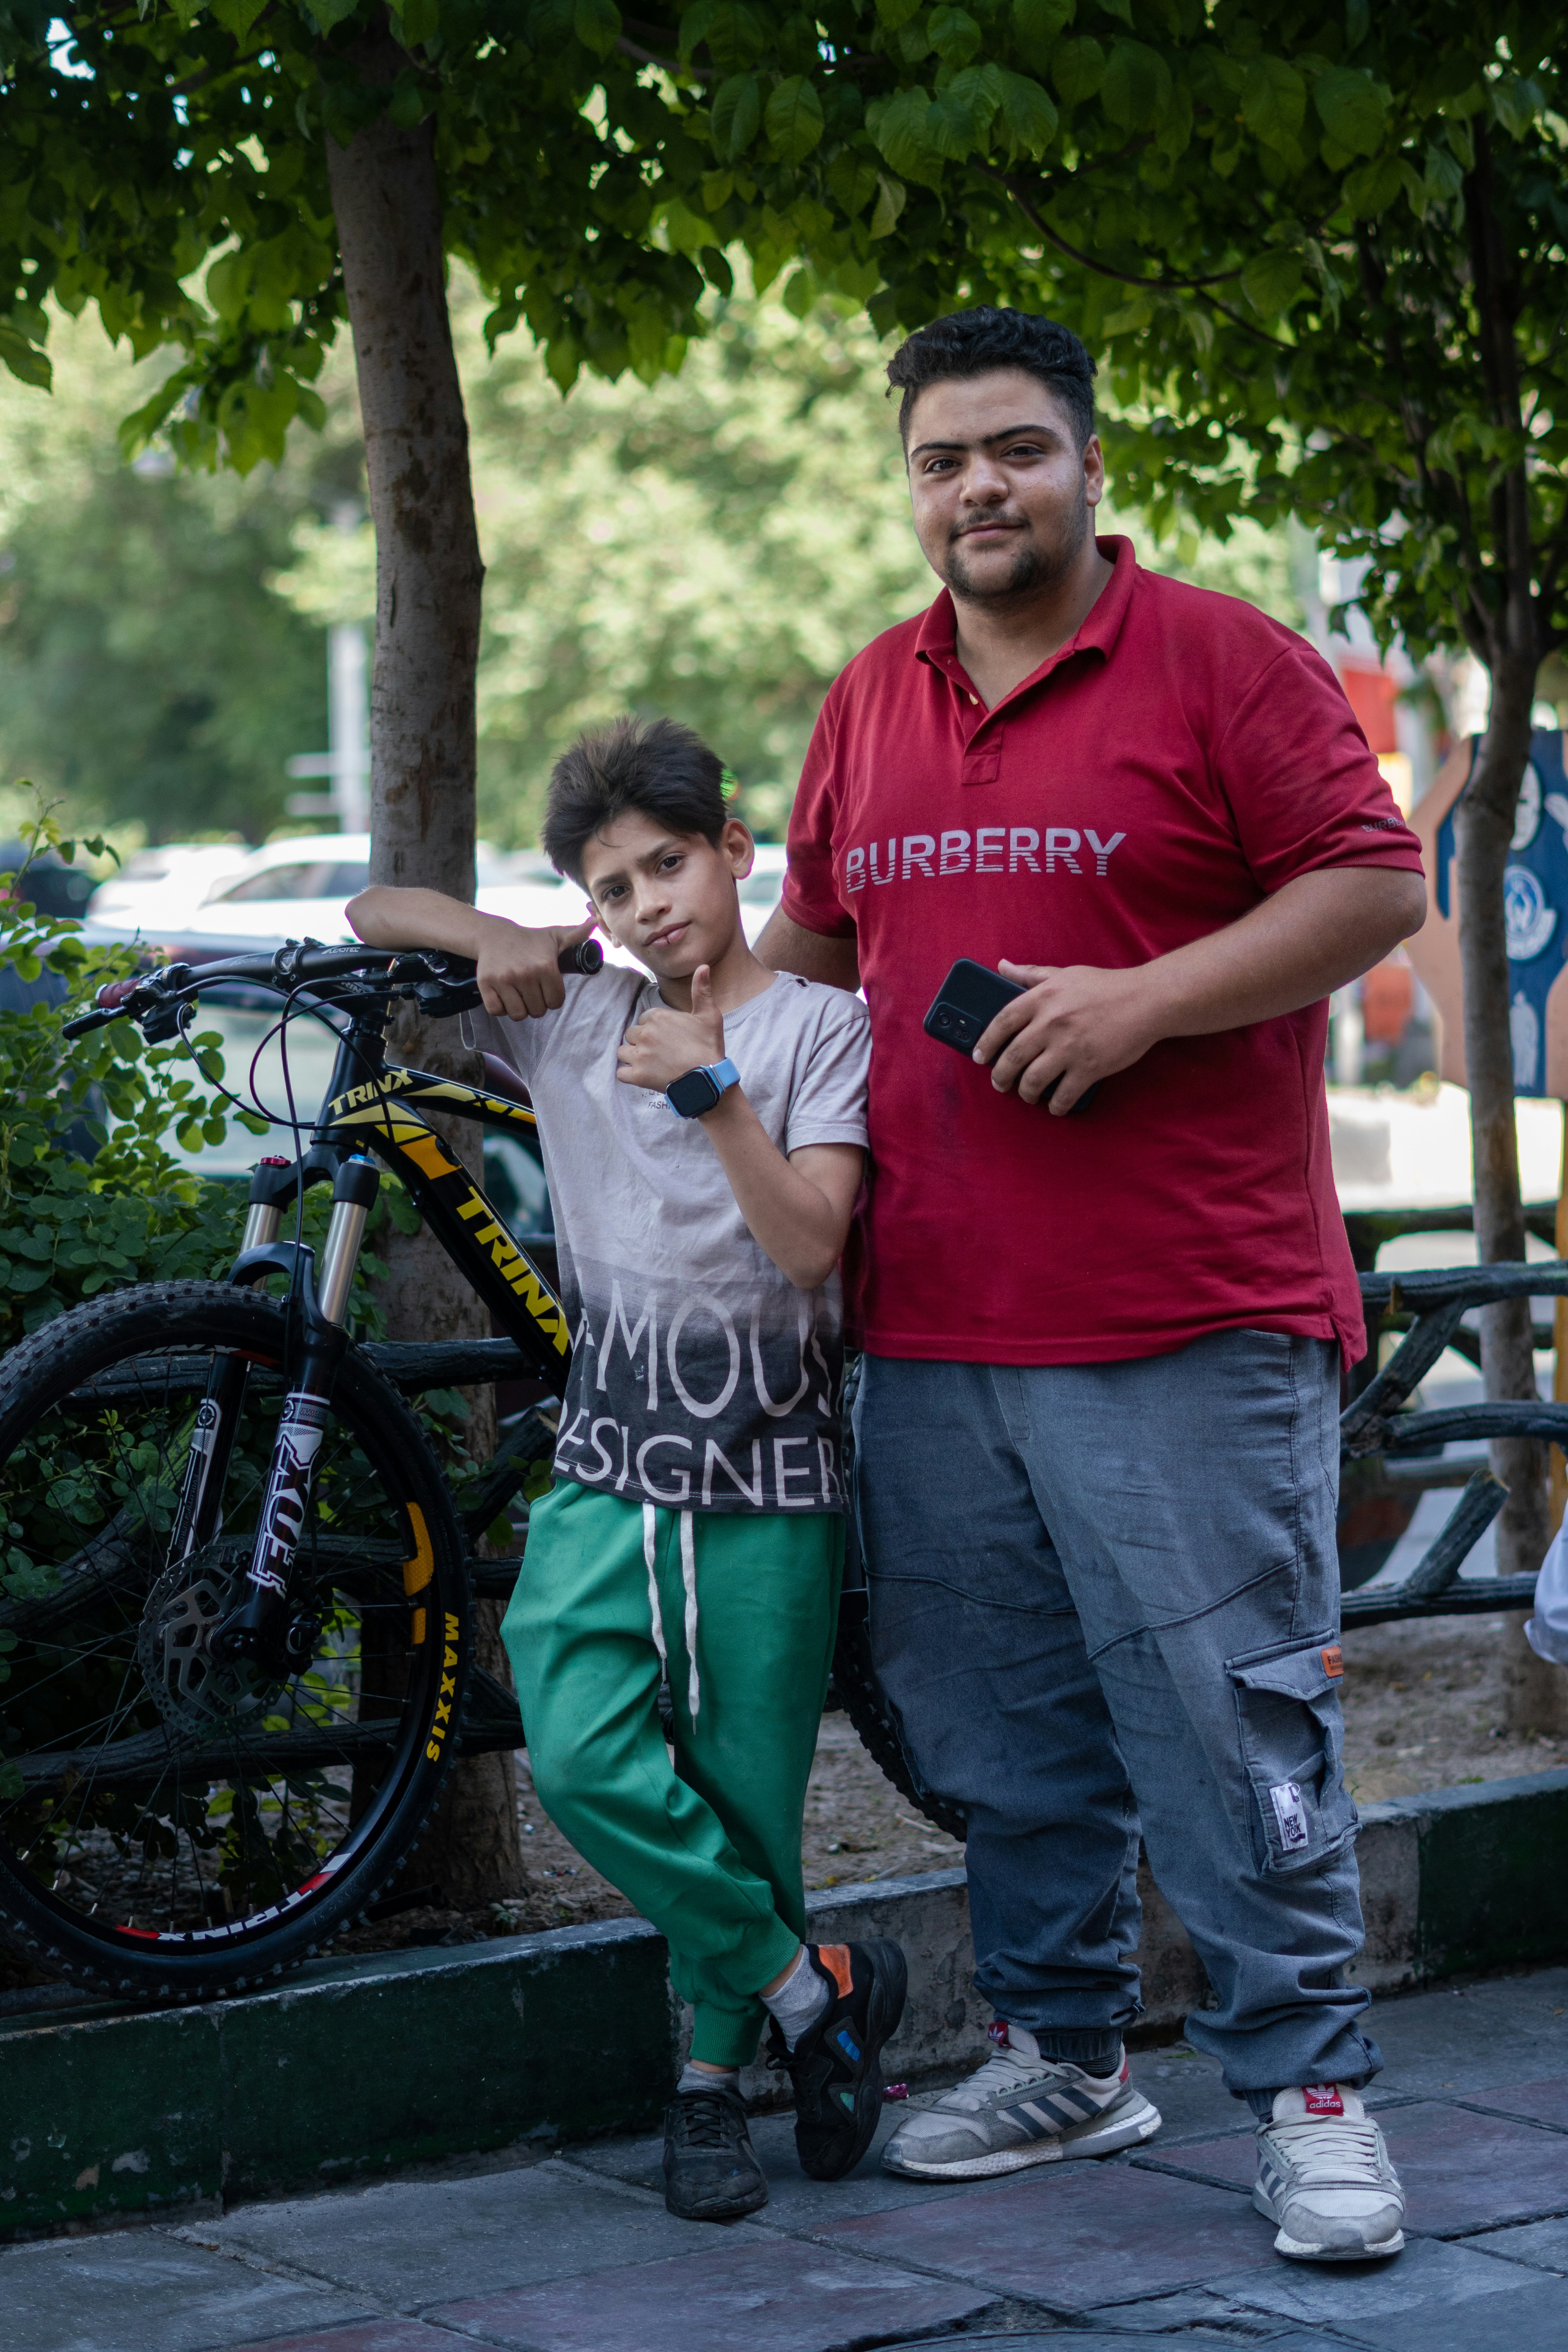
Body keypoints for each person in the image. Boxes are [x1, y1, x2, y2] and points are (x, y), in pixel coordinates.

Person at [755, 307, 1427, 2265]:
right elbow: (805, 955)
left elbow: (1374, 884)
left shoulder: (1221, 657)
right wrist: (596, 977)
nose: (979, 487)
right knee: (999, 1730)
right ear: (911, 485)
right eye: (943, 458)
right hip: (937, 1323)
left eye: (1016, 451)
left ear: (1087, 466)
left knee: (1234, 1728)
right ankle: (1067, 2050)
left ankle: (1309, 2094)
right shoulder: (869, 697)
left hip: (1190, 1320)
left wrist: (1142, 1002)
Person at [347, 718, 906, 2224]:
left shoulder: (818, 1031)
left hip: (771, 1482)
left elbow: (810, 1246)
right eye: (615, 886)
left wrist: (713, 1091)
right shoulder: (572, 1011)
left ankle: (711, 2094)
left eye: (672, 862)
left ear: (739, 855)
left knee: (743, 1793)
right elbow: (370, 912)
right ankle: (817, 1989)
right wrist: (507, 937)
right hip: (609, 1467)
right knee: (584, 1749)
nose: (653, 903)